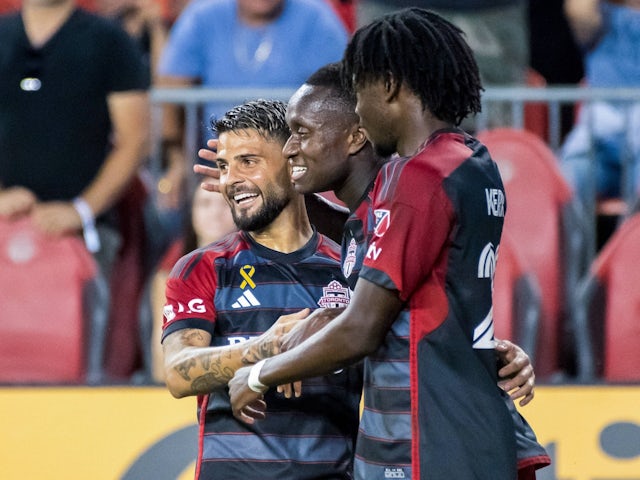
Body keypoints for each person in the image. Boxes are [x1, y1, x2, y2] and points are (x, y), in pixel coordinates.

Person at [227, 9, 550, 479]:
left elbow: (362, 328)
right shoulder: (471, 161)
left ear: (390, 87)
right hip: (471, 430)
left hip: (430, 439)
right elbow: (418, 277)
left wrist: (257, 374)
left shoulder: (415, 177)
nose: (357, 106)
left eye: (359, 93)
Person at [161, 99, 363, 479]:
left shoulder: (350, 269)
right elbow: (177, 372)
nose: (230, 179)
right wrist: (265, 350)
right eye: (223, 166)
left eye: (248, 161)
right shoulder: (203, 266)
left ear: (293, 163)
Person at [0, 0, 150, 382]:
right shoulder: (3, 34)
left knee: (83, 367)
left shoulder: (108, 41)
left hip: (87, 233)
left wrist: (81, 210)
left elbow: (134, 140)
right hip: (4, 228)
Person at [155, 0, 349, 224]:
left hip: (293, 160)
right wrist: (177, 160)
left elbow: (341, 94)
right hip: (216, 159)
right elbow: (170, 91)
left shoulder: (316, 16)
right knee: (166, 209)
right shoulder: (203, 14)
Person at [148, 177, 237, 383]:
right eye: (205, 203)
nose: (216, 213)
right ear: (191, 213)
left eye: (225, 204)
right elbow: (162, 361)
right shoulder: (169, 272)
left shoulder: (262, 269)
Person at [559, 0, 640, 216]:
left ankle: (629, 250)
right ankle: (574, 251)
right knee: (566, 181)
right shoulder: (601, 14)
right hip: (599, 143)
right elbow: (578, 9)